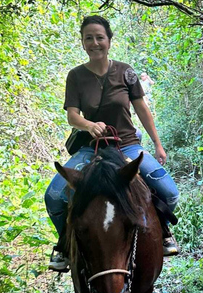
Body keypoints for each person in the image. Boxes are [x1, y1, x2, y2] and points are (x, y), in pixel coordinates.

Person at [44, 15, 180, 271]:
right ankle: (64, 244)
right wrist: (89, 125)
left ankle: (162, 232)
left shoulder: (126, 72)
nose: (95, 43)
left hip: (127, 144)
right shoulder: (76, 76)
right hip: (89, 148)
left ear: (109, 40)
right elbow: (72, 115)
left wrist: (157, 144)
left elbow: (142, 109)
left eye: (100, 37)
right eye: (89, 38)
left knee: (169, 192)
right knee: (53, 196)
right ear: (83, 43)